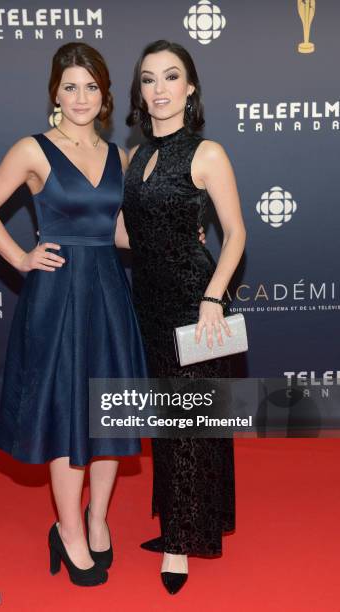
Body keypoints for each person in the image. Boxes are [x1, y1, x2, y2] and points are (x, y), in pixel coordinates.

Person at [0, 42, 149, 587]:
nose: (81, 96)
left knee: (110, 412)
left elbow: (115, 232)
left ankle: (97, 519)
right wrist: (21, 256)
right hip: (58, 295)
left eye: (91, 86)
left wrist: (164, 241)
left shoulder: (120, 157)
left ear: (105, 93)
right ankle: (67, 528)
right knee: (70, 411)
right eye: (70, 86)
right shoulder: (34, 149)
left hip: (111, 294)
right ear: (55, 92)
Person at [122, 39, 246, 595]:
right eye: (149, 80)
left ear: (190, 87)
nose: (160, 90)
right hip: (147, 305)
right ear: (139, 92)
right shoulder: (135, 158)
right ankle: (192, 516)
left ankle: (179, 542)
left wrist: (214, 298)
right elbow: (127, 234)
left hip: (198, 306)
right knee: (171, 429)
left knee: (191, 425)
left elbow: (236, 232)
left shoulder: (207, 153)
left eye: (172, 77)